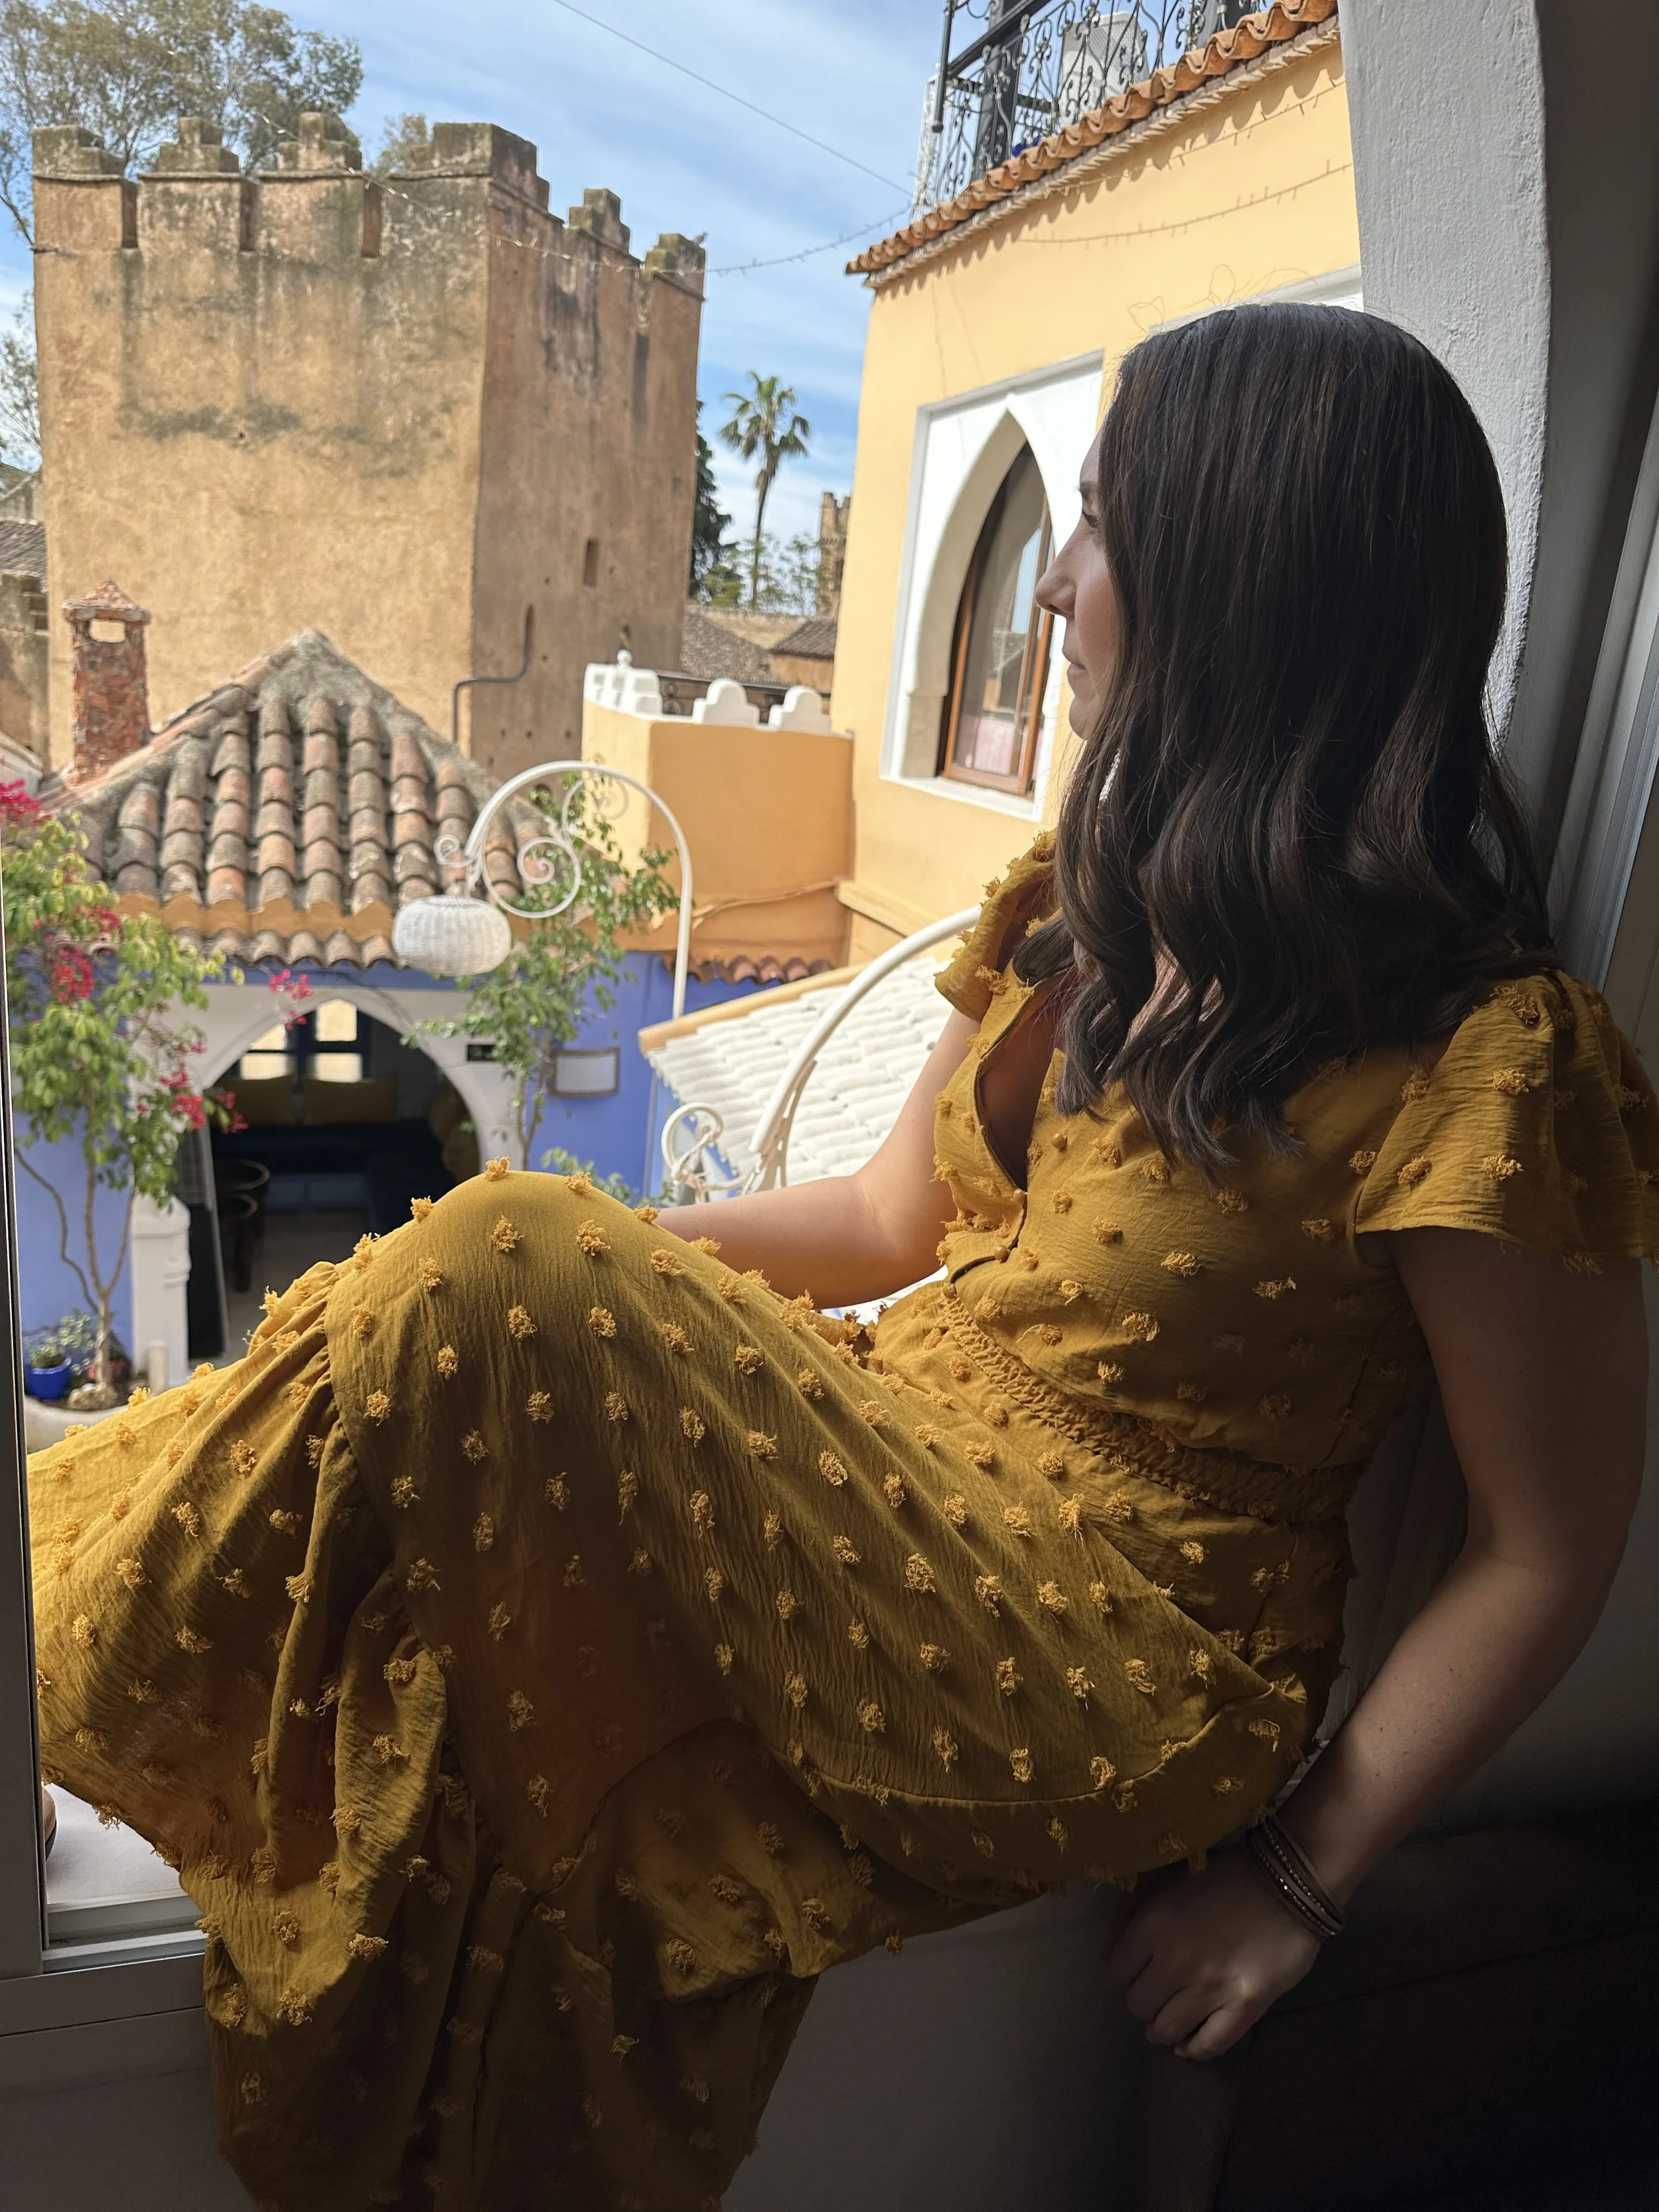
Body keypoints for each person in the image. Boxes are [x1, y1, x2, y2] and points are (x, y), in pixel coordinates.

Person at [31, 303, 1652, 2212]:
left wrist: (1298, 1882)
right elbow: (891, 1224)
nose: (1051, 585)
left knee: (506, 1267)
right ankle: (64, 1557)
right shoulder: (1091, 912)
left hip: (1116, 1637)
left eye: (1101, 526)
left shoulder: (1488, 1052)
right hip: (910, 1478)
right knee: (474, 1330)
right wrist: (579, 1283)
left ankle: (50, 1640)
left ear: (1249, 582)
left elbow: (1544, 1548)